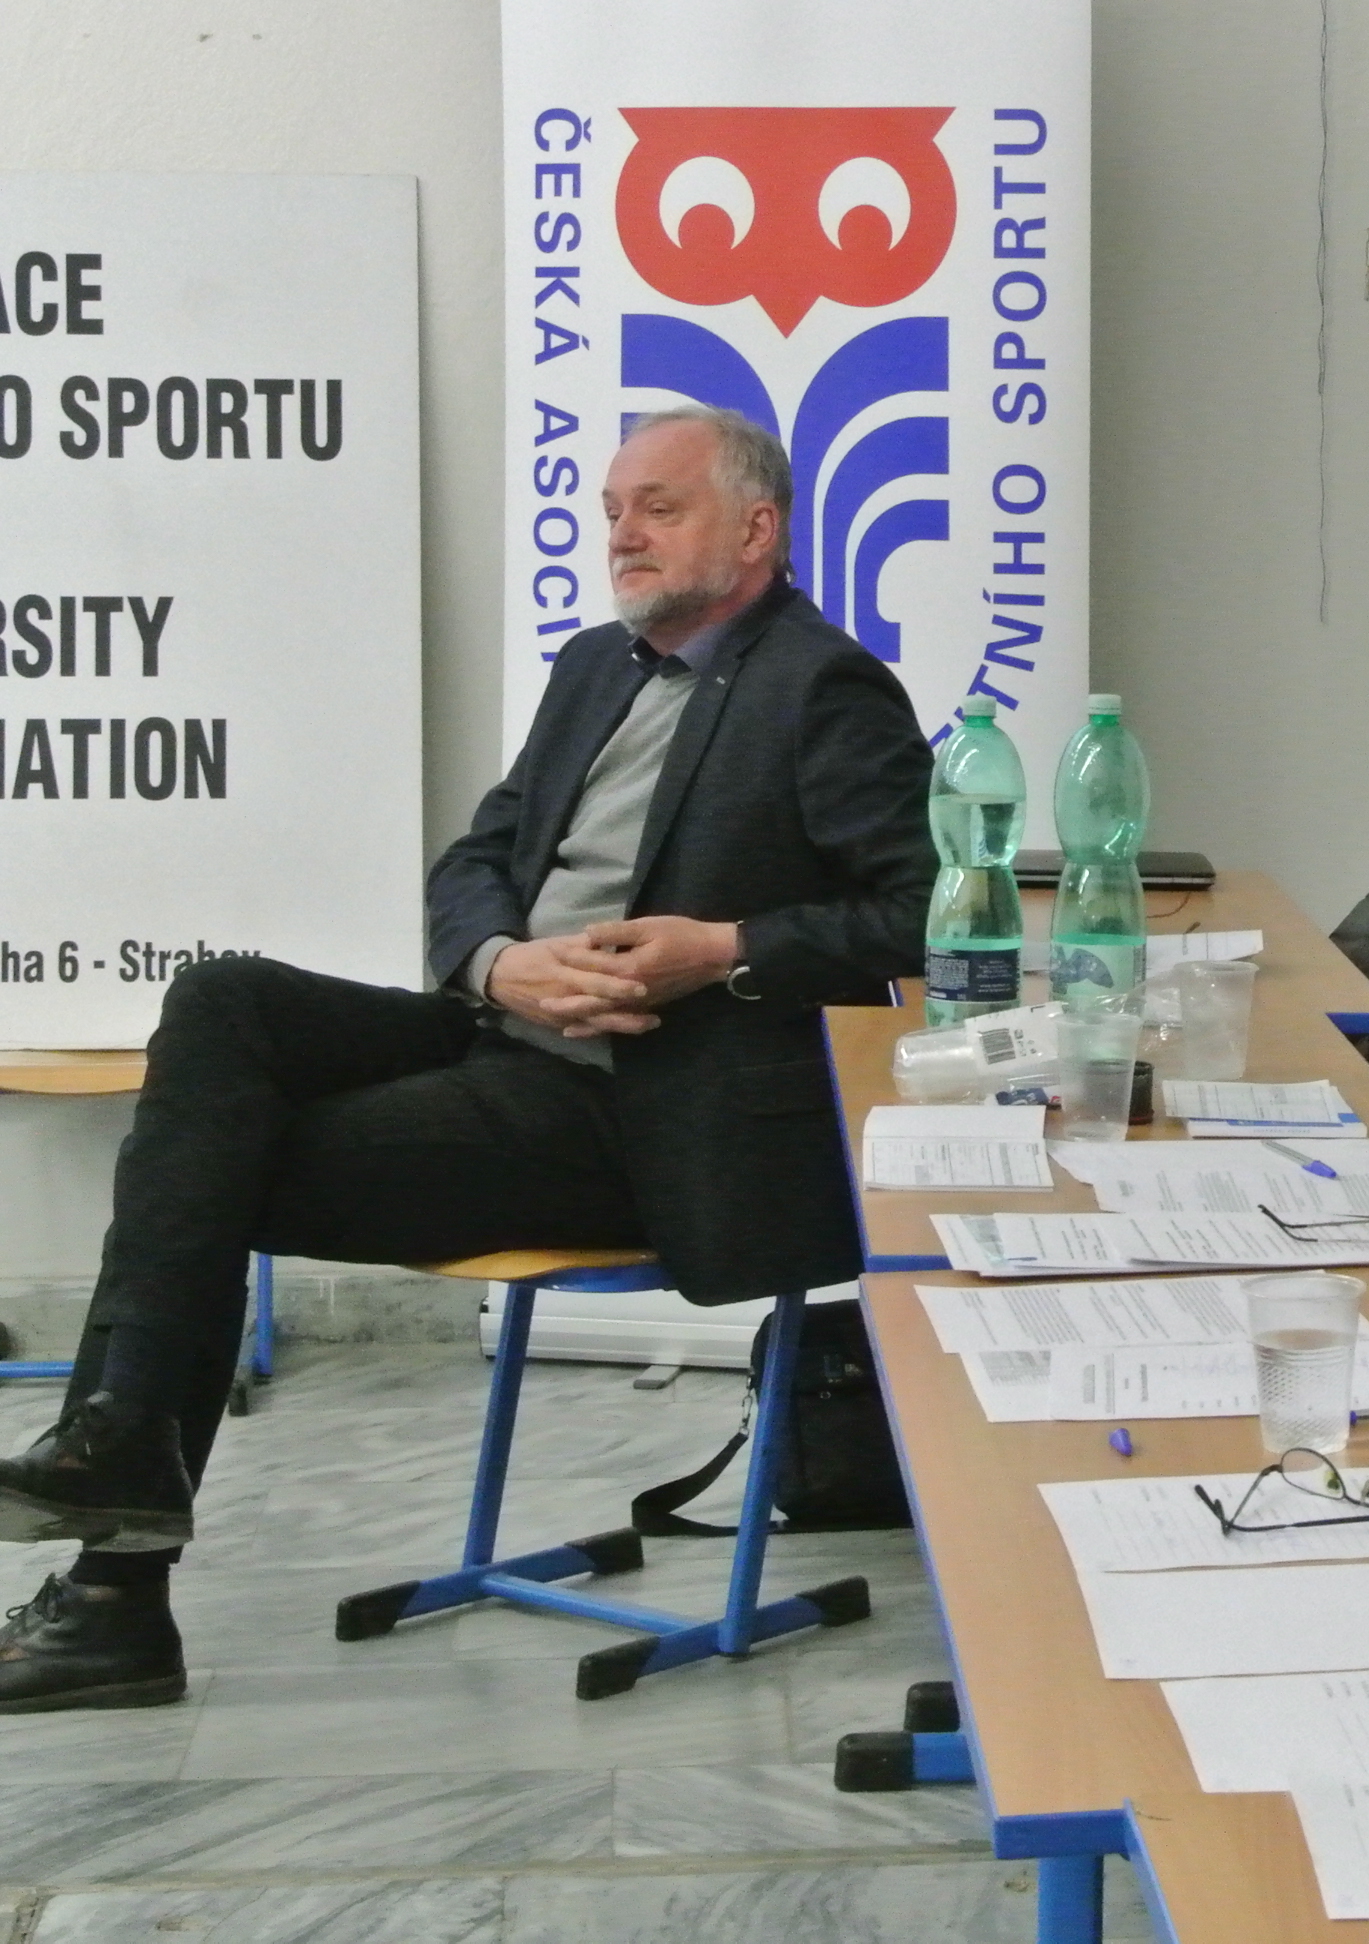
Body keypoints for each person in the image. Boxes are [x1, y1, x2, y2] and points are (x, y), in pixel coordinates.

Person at [0, 405, 935, 1712]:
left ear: (756, 529)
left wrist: (719, 949)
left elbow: (920, 913)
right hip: (502, 1029)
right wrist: (499, 964)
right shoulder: (596, 668)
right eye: (611, 509)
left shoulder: (825, 687)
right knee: (220, 1002)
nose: (622, 532)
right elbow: (478, 860)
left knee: (199, 1176)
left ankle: (115, 1579)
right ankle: (121, 1468)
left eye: (659, 507)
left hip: (635, 1108)